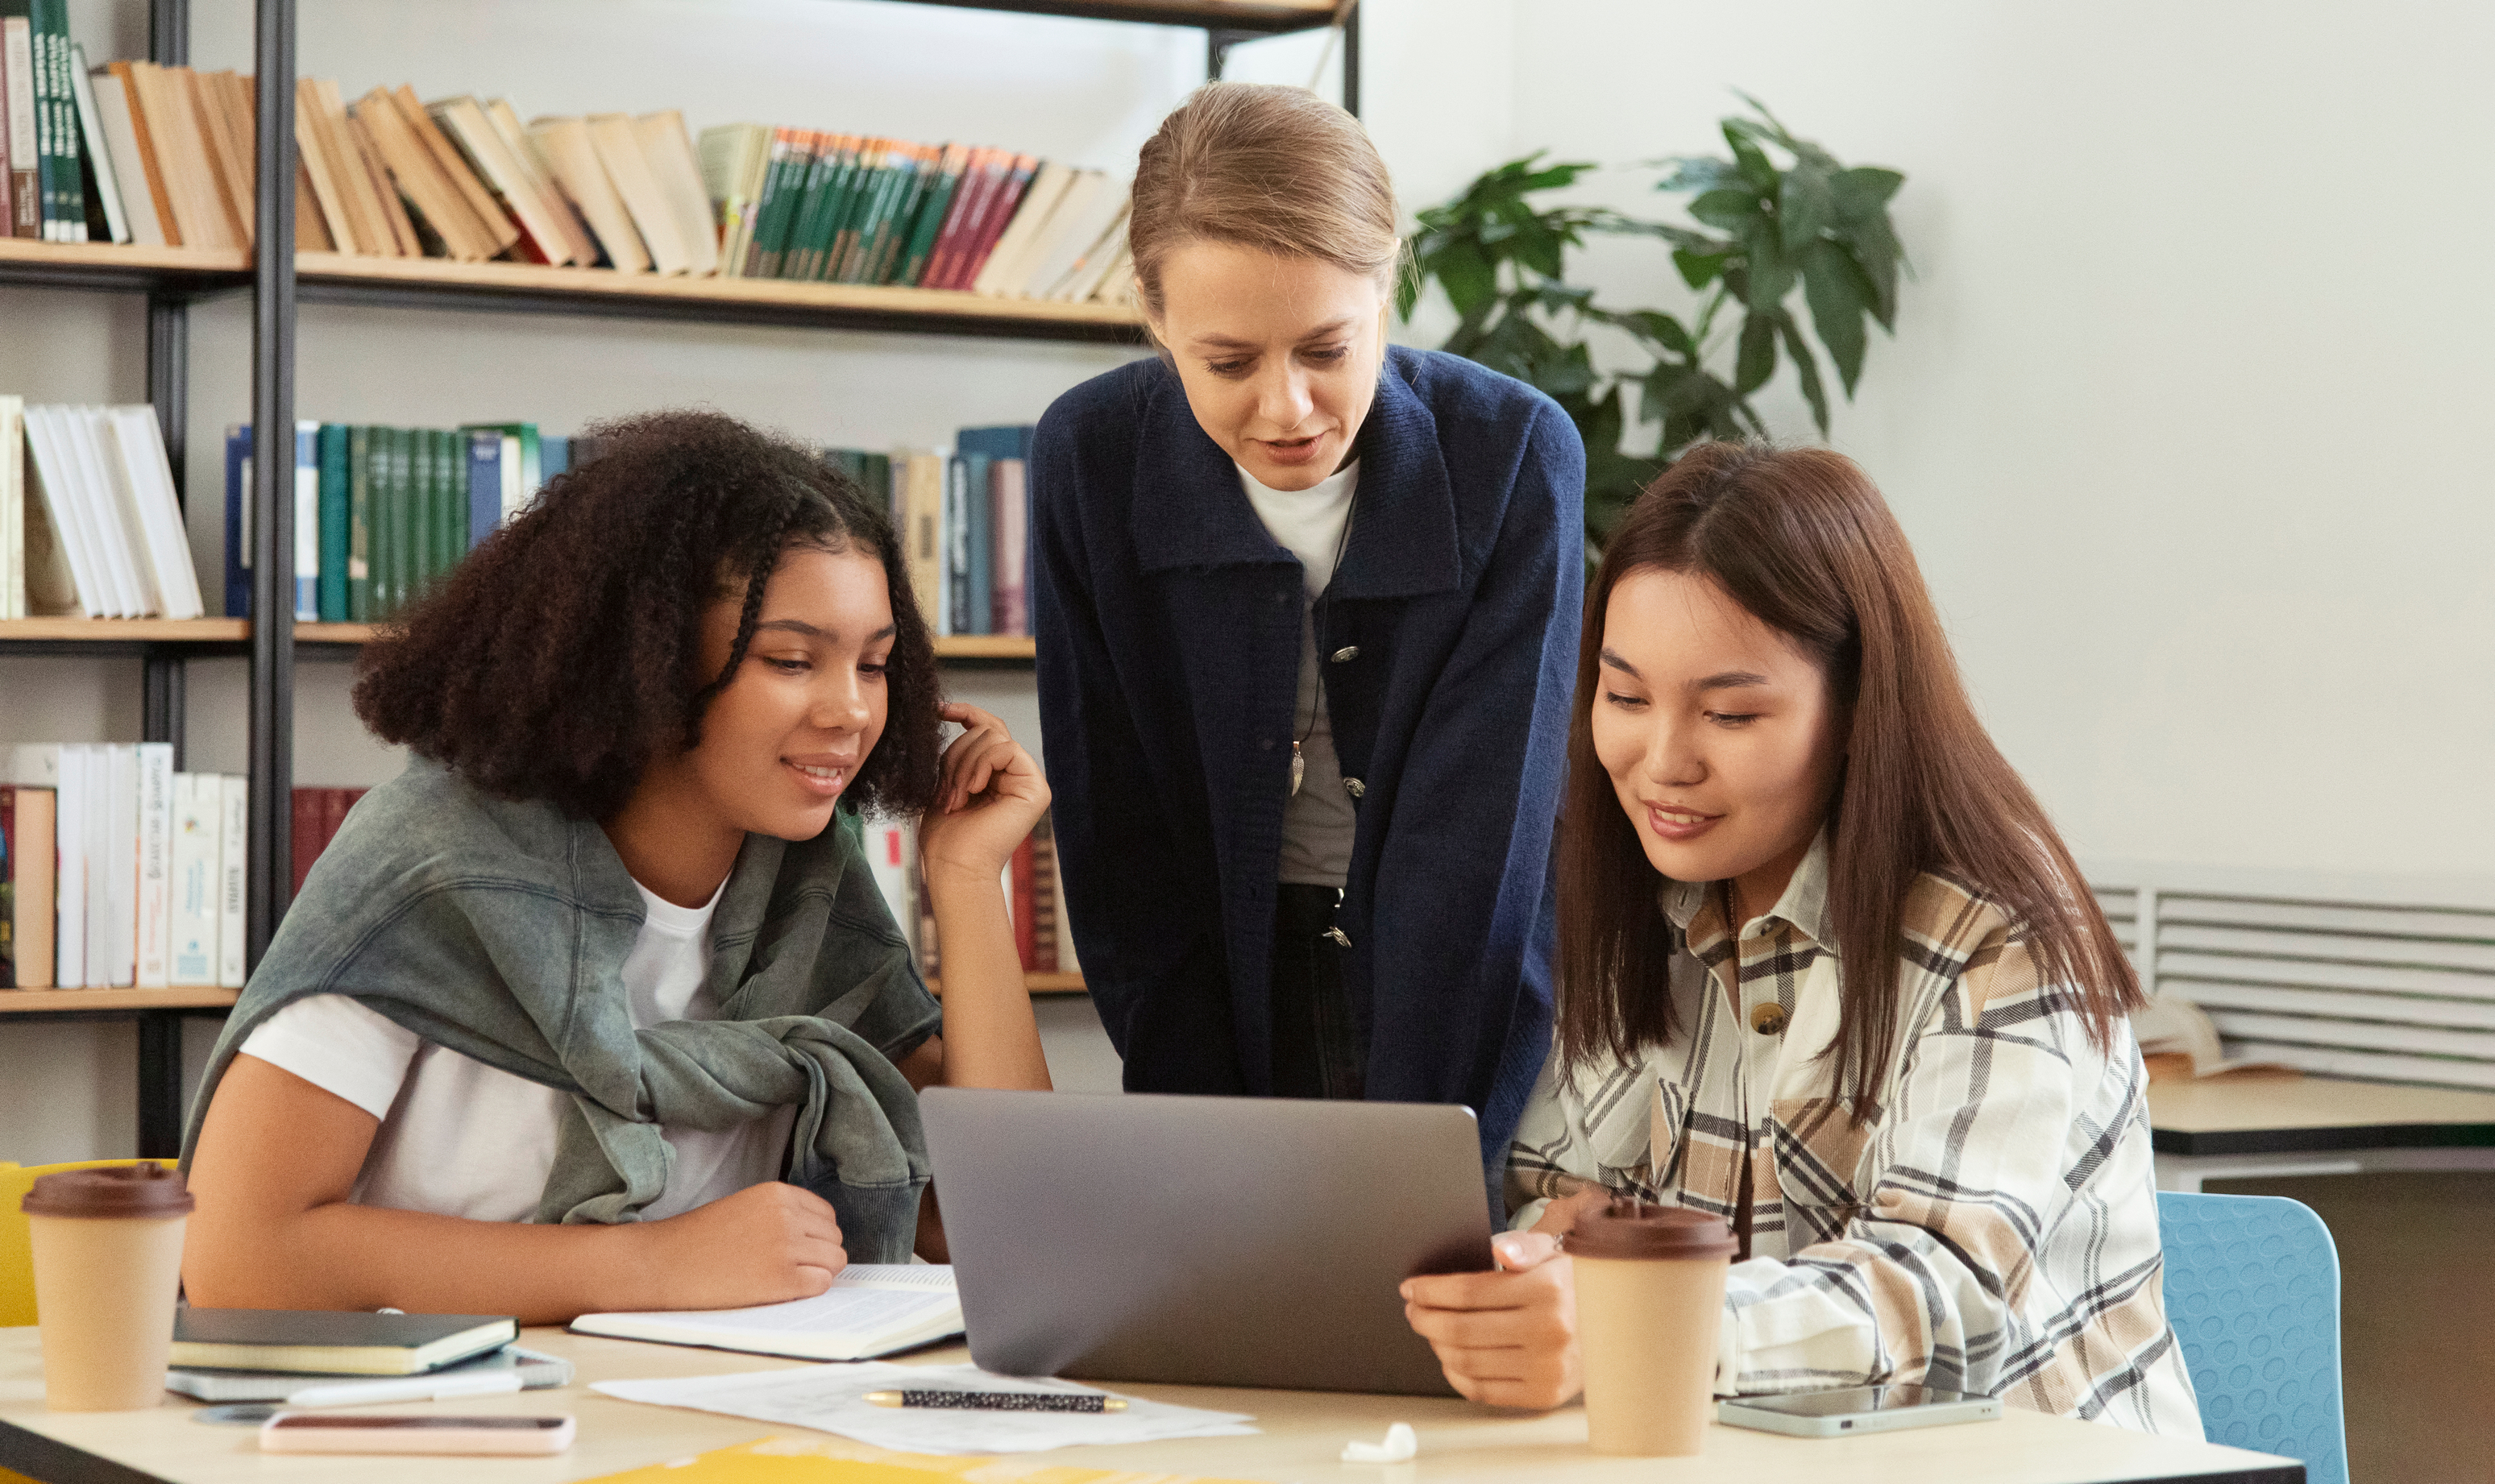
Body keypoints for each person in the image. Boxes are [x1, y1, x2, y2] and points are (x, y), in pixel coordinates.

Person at [1400, 443, 2202, 1436]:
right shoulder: (1630, 902)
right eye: (1625, 697)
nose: (1661, 763)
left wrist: (1635, 1318)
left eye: (1730, 713)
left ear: (1861, 707)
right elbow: (1557, 1199)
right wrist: (1540, 1267)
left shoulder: (2001, 932)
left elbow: (1941, 1296)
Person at [180, 410, 1051, 1323]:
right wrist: (645, 1267)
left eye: (874, 667)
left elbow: (1009, 1224)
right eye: (792, 660)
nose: (851, 711)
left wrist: (964, 881)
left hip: (705, 1425)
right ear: (651, 658)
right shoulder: (433, 866)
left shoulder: (807, 885)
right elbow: (239, 1253)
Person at [1032, 82, 1584, 1171]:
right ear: (1156, 319)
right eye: (1228, 362)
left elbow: (1480, 839)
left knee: (1427, 1296)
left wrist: (1422, 1156)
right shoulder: (1088, 458)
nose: (1285, 409)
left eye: (1327, 349)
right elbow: (1116, 829)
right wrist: (1194, 1130)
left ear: (1386, 291)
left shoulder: (1513, 455)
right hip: (1211, 977)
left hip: (1450, 984)